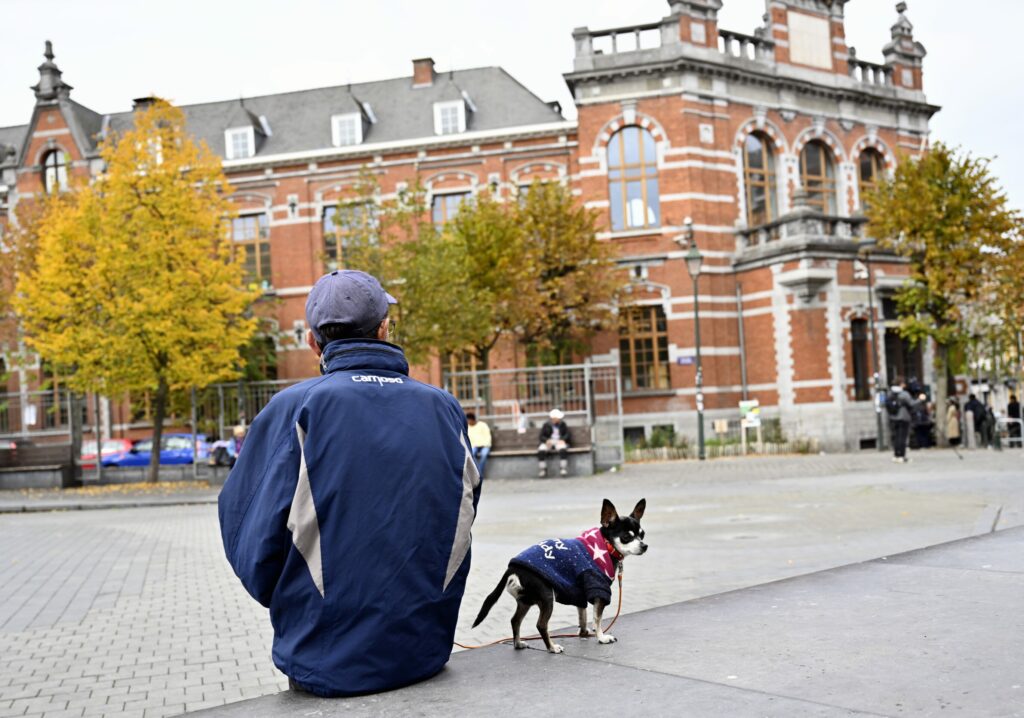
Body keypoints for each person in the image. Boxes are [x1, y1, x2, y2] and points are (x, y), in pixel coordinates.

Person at [218, 269, 481, 697]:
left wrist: (299, 601)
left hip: (325, 662)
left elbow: (247, 537)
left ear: (311, 341)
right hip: (425, 651)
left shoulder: (295, 408)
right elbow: (461, 518)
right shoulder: (444, 408)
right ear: (384, 329)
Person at [538, 408, 572, 477]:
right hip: (549, 442)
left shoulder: (562, 424)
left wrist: (563, 440)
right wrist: (546, 440)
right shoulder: (546, 425)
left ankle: (563, 468)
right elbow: (541, 436)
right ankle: (543, 469)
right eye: (557, 418)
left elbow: (567, 434)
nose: (559, 419)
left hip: (559, 441)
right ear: (553, 418)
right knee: (541, 450)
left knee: (563, 449)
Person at [888, 378, 914, 463]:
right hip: (903, 418)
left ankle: (896, 455)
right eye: (903, 383)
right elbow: (911, 404)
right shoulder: (904, 394)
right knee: (902, 437)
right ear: (901, 384)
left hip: (893, 418)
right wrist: (920, 400)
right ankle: (902, 456)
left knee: (896, 437)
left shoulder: (890, 393)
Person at [466, 412, 492, 478]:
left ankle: (479, 474)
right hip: (474, 446)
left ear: (473, 419)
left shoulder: (483, 425)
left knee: (484, 454)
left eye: (468, 420)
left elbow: (488, 436)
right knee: (471, 454)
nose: (467, 422)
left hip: (485, 445)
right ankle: (475, 473)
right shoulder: (467, 427)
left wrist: (486, 444)